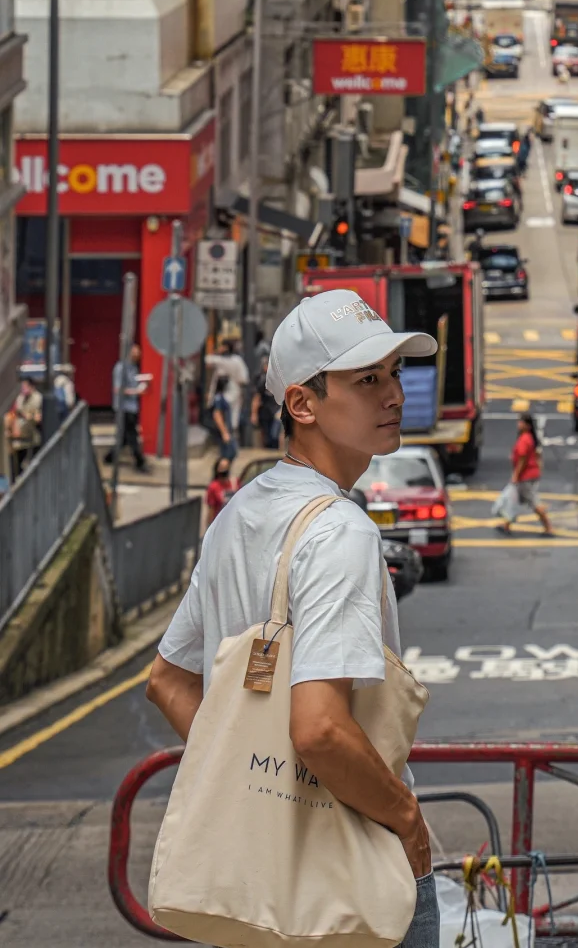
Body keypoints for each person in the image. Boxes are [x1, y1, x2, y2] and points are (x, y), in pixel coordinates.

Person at [147, 288, 440, 946]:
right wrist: (405, 817)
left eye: (393, 372)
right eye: (366, 379)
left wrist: (251, 779)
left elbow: (168, 679)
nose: (394, 393)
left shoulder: (237, 516)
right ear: (302, 404)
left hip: (258, 877)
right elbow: (319, 729)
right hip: (352, 875)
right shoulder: (342, 532)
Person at [496, 412, 554, 536]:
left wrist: (516, 475)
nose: (519, 424)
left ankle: (548, 527)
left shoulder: (525, 439)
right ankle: (507, 525)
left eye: (521, 422)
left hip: (526, 476)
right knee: (514, 501)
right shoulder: (528, 438)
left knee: (533, 502)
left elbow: (522, 459)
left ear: (527, 425)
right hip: (529, 474)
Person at [104, 344, 147, 473]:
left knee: (123, 437)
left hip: (132, 407)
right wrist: (135, 391)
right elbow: (118, 389)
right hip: (123, 407)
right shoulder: (121, 367)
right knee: (132, 434)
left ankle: (110, 457)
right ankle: (140, 461)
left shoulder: (134, 368)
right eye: (135, 353)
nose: (138, 355)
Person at [204, 340, 250, 436]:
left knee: (220, 417)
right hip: (236, 393)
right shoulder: (238, 360)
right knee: (233, 420)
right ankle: (230, 437)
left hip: (224, 395)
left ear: (225, 347)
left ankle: (226, 438)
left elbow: (207, 360)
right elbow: (244, 379)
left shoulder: (221, 360)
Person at [7, 377, 43, 479]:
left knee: (30, 465)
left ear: (32, 386)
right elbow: (18, 412)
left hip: (32, 437)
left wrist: (26, 415)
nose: (23, 388)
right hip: (19, 438)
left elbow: (36, 417)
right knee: (17, 466)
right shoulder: (20, 398)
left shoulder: (37, 398)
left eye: (25, 386)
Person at [250, 355, 281, 451]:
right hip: (265, 411)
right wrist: (254, 413)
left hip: (276, 411)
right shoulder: (262, 380)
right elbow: (257, 397)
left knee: (274, 435)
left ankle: (274, 451)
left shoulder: (279, 379)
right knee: (266, 435)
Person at [207, 374, 237, 462]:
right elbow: (217, 415)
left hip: (226, 430)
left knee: (231, 453)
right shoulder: (219, 399)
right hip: (223, 431)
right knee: (228, 454)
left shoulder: (221, 397)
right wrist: (224, 432)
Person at [205, 455, 238, 525]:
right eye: (222, 468)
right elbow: (211, 510)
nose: (224, 470)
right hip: (219, 524)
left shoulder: (235, 483)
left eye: (226, 467)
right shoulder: (213, 487)